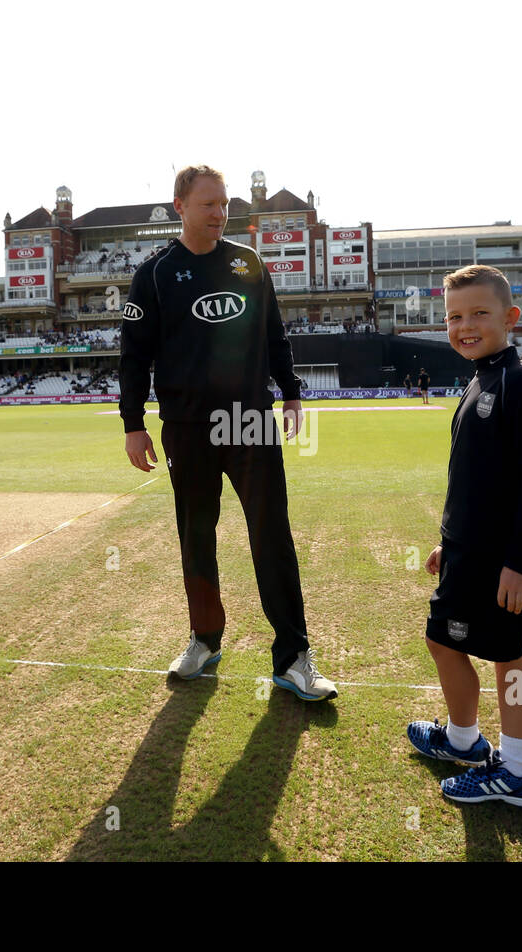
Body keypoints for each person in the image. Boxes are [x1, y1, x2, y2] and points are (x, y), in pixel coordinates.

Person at [119, 165, 335, 701]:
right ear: (180, 206)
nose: (220, 214)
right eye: (209, 205)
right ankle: (205, 638)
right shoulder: (153, 274)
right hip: (186, 427)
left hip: (250, 420)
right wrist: (133, 424)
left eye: (225, 205)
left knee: (271, 533)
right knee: (197, 536)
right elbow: (133, 358)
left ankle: (292, 655)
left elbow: (273, 333)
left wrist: (290, 391)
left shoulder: (248, 263)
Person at [406, 264, 522, 807]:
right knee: (443, 639)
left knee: (507, 655)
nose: (464, 325)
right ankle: (464, 741)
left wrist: (521, 563)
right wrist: (451, 543)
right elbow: (476, 478)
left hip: (501, 559)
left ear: (510, 317)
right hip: (467, 551)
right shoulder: (479, 379)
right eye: (453, 316)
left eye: (478, 314)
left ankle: (517, 771)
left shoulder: (520, 383)